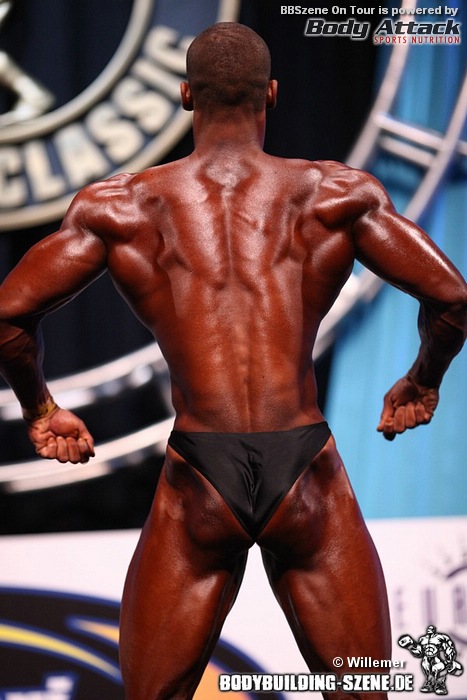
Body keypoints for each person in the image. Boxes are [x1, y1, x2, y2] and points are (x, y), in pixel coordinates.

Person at [0, 21, 466, 700]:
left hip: (200, 472)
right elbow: (451, 297)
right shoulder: (335, 195)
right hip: (304, 466)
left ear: (185, 95)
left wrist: (41, 409)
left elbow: (9, 316)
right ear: (271, 94)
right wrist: (422, 380)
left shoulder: (120, 207)